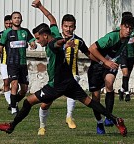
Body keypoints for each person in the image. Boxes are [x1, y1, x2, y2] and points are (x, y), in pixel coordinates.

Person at [0, 22, 127, 137]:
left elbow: (57, 43)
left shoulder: (52, 43)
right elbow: (52, 20)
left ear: (45, 36)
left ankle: (11, 127)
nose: (38, 41)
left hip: (56, 86)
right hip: (69, 82)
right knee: (90, 102)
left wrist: (64, 42)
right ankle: (116, 120)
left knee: (28, 102)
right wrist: (41, 7)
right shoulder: (53, 33)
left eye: (38, 38)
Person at [31, 0, 90, 136]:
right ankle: (42, 126)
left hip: (71, 73)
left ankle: (69, 116)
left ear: (74, 27)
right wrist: (40, 7)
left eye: (71, 27)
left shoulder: (77, 40)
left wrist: (100, 61)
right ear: (62, 27)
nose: (68, 29)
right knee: (46, 104)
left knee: (72, 87)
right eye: (66, 26)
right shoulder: (55, 36)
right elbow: (51, 18)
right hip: (55, 78)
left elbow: (88, 53)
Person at [88, 15, 134, 134]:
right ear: (120, 26)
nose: (128, 30)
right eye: (126, 27)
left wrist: (114, 62)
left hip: (109, 65)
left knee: (109, 83)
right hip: (97, 66)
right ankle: (99, 123)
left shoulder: (126, 39)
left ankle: (108, 117)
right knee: (96, 98)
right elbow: (91, 48)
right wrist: (105, 62)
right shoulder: (111, 37)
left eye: (131, 28)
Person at [0, 11, 37, 115]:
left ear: (21, 20)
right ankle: (13, 108)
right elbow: (1, 47)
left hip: (22, 64)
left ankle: (13, 102)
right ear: (12, 20)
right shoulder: (6, 33)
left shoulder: (25, 32)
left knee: (24, 89)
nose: (17, 19)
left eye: (19, 18)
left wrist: (33, 45)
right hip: (12, 63)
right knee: (14, 84)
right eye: (15, 18)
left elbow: (32, 41)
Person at [118, 12, 134, 102]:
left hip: (131, 55)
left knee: (127, 75)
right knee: (125, 73)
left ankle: (121, 90)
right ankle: (127, 93)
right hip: (122, 54)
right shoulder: (119, 30)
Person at [0, 15, 12, 110]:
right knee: (6, 82)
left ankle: (13, 101)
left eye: (10, 23)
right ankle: (10, 103)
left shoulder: (17, 33)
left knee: (16, 83)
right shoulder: (0, 34)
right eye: (6, 23)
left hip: (15, 63)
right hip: (4, 62)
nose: (8, 25)